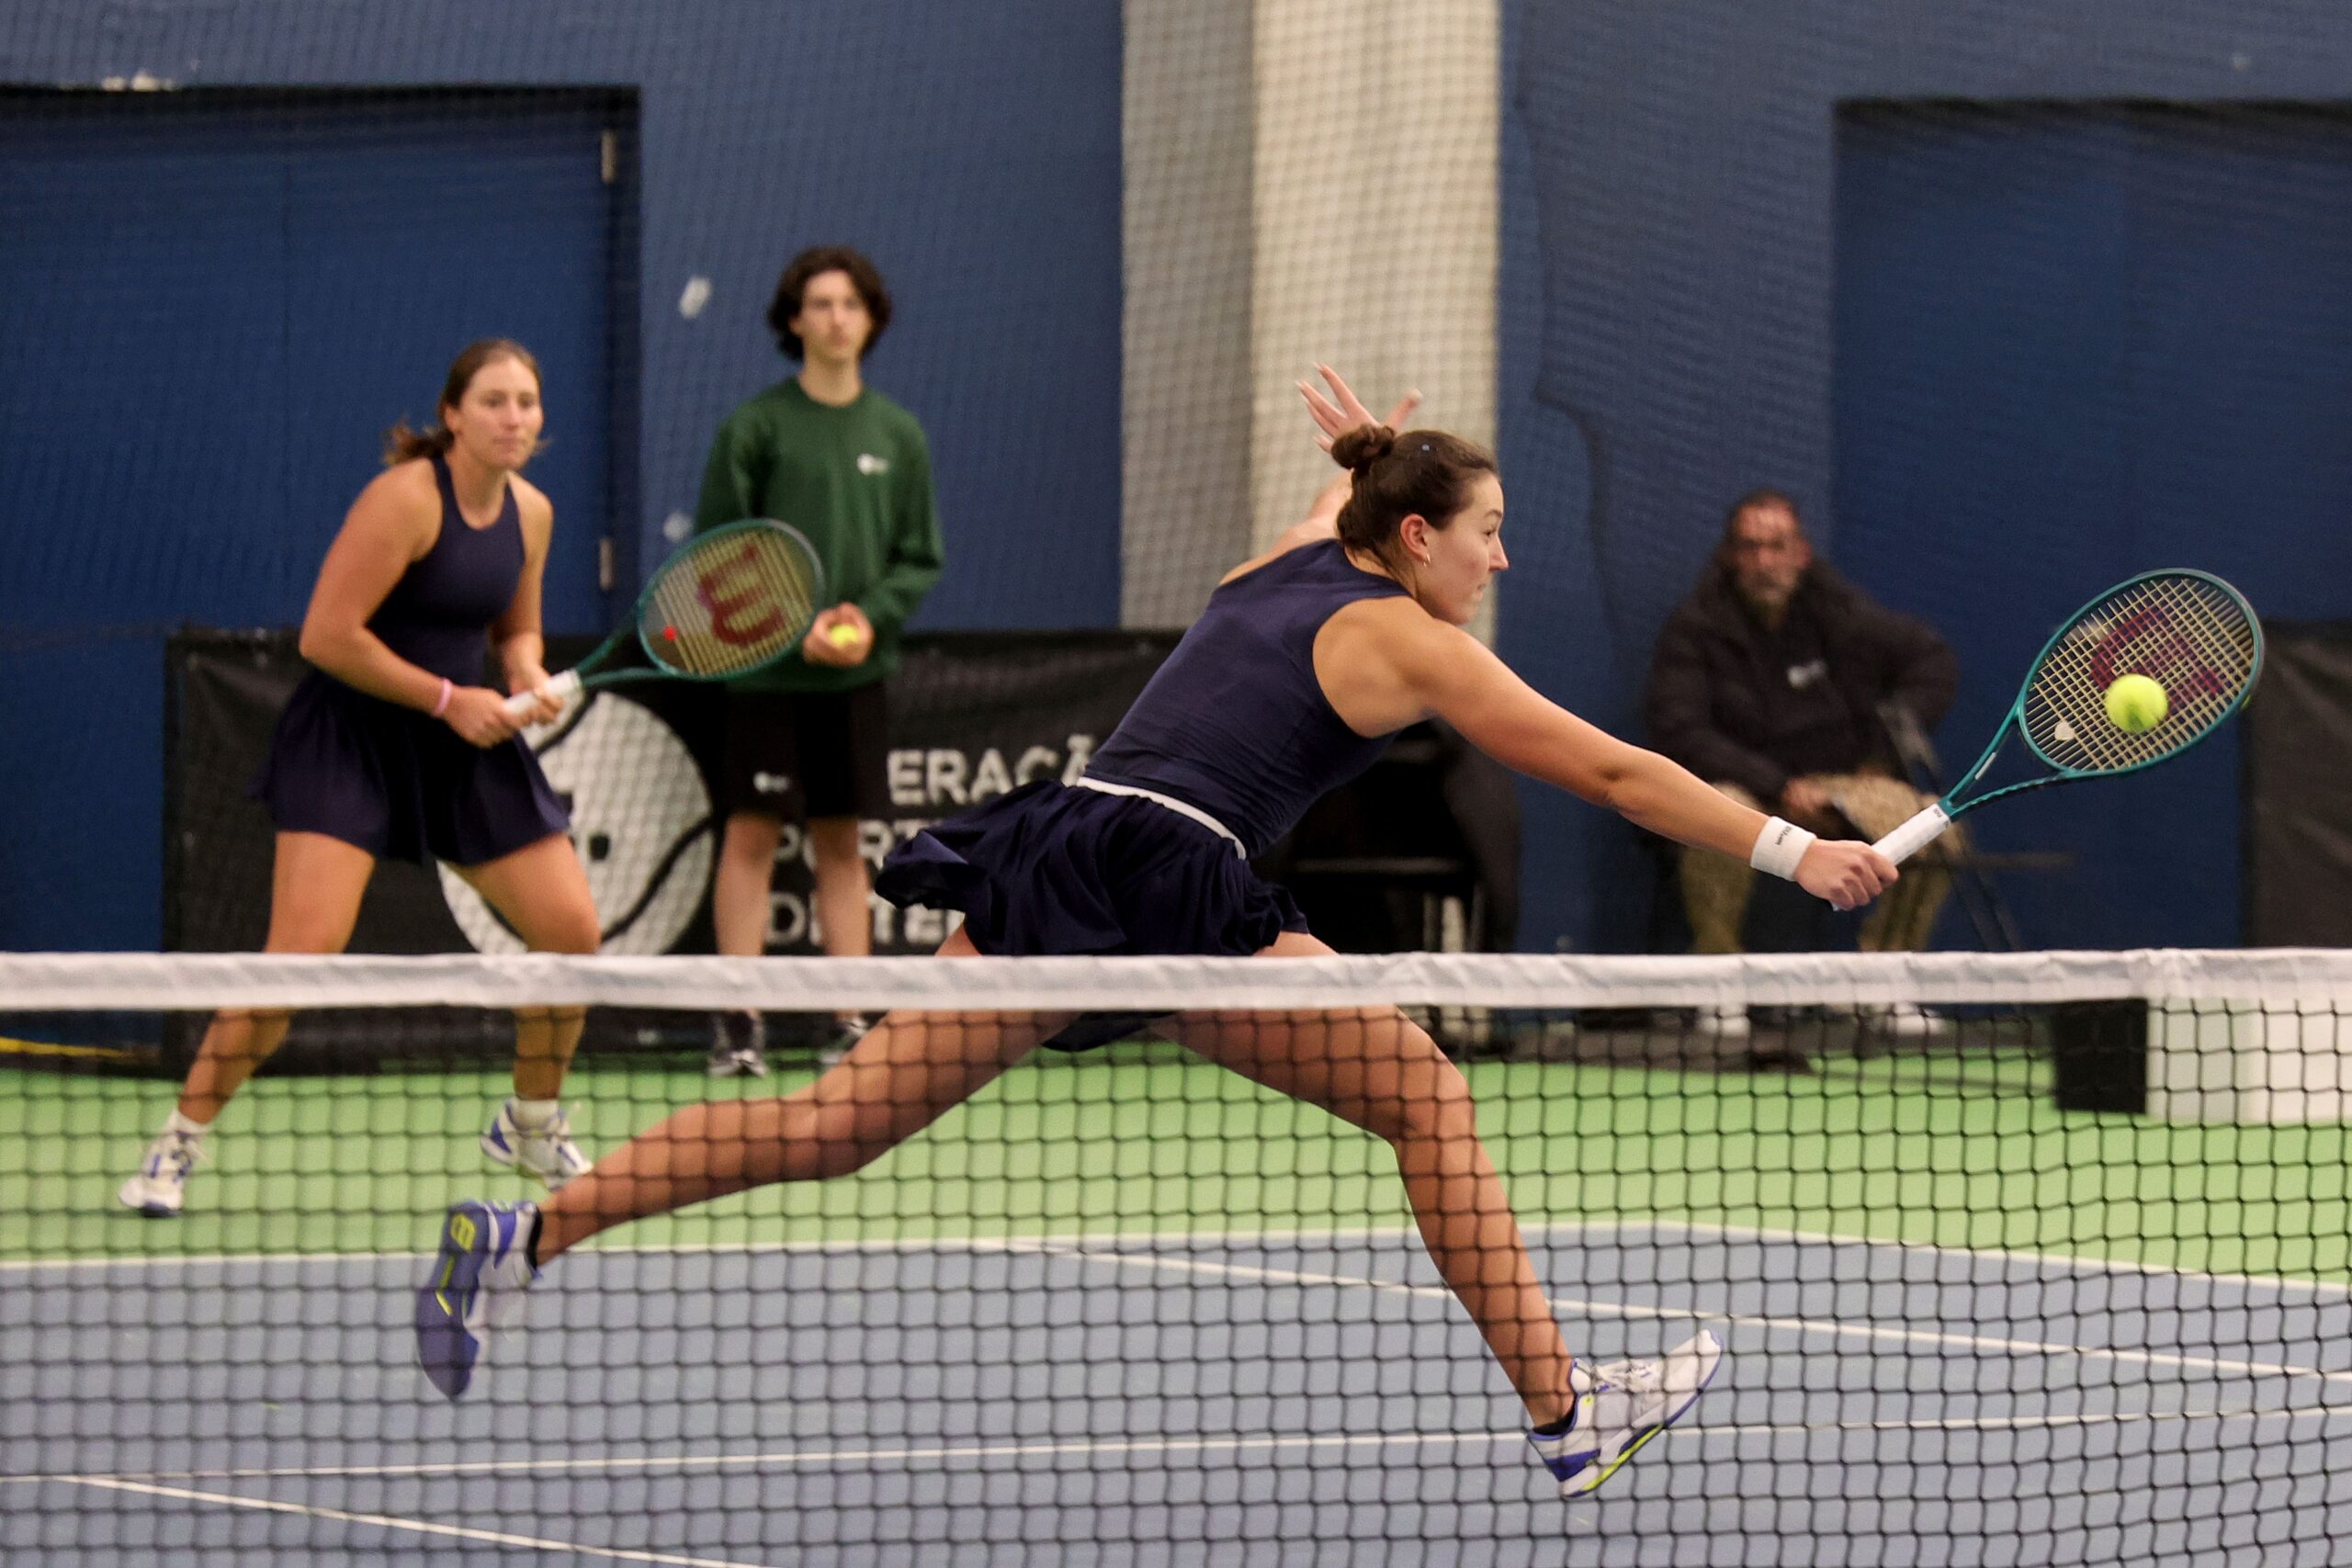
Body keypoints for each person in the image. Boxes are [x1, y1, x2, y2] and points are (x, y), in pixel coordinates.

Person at [416, 368, 1896, 1497]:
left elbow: (1345, 505)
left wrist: (1366, 466)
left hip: (1063, 843)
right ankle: (1568, 1413)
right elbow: (1616, 768)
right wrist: (1792, 847)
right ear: (1424, 537)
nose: (1500, 562)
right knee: (1428, 1094)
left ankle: (524, 1234)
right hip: (1174, 875)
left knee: (835, 1120)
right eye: (1491, 535)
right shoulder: (1409, 640)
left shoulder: (1285, 566)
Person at [119, 341, 602, 1217]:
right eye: (494, 401)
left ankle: (530, 1120)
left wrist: (527, 677)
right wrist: (452, 697)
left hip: (459, 742)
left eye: (527, 402)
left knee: (572, 930)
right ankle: (178, 1140)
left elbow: (516, 630)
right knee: (300, 956)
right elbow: (326, 636)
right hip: (353, 733)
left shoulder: (533, 512)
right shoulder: (405, 500)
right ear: (453, 414)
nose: (514, 418)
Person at [695, 245, 944, 1077]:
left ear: (870, 320)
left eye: (851, 304)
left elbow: (918, 557)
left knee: (844, 842)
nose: (836, 318)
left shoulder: (898, 435)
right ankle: (738, 1022)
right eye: (820, 304)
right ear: (794, 320)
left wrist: (867, 620)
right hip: (765, 676)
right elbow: (721, 551)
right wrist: (787, 620)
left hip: (853, 677)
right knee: (751, 836)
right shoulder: (755, 427)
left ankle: (848, 1019)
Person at [1645, 489, 1960, 1040]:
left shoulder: (1839, 614)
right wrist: (1777, 784)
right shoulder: (1696, 627)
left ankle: (1876, 981)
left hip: (1840, 781)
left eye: (1777, 547)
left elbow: (1931, 660)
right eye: (1751, 548)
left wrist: (1881, 761)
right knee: (1710, 817)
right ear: (1730, 556)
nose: (1765, 562)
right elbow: (1680, 728)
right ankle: (1722, 984)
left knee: (1933, 828)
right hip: (1746, 783)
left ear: (1801, 554)